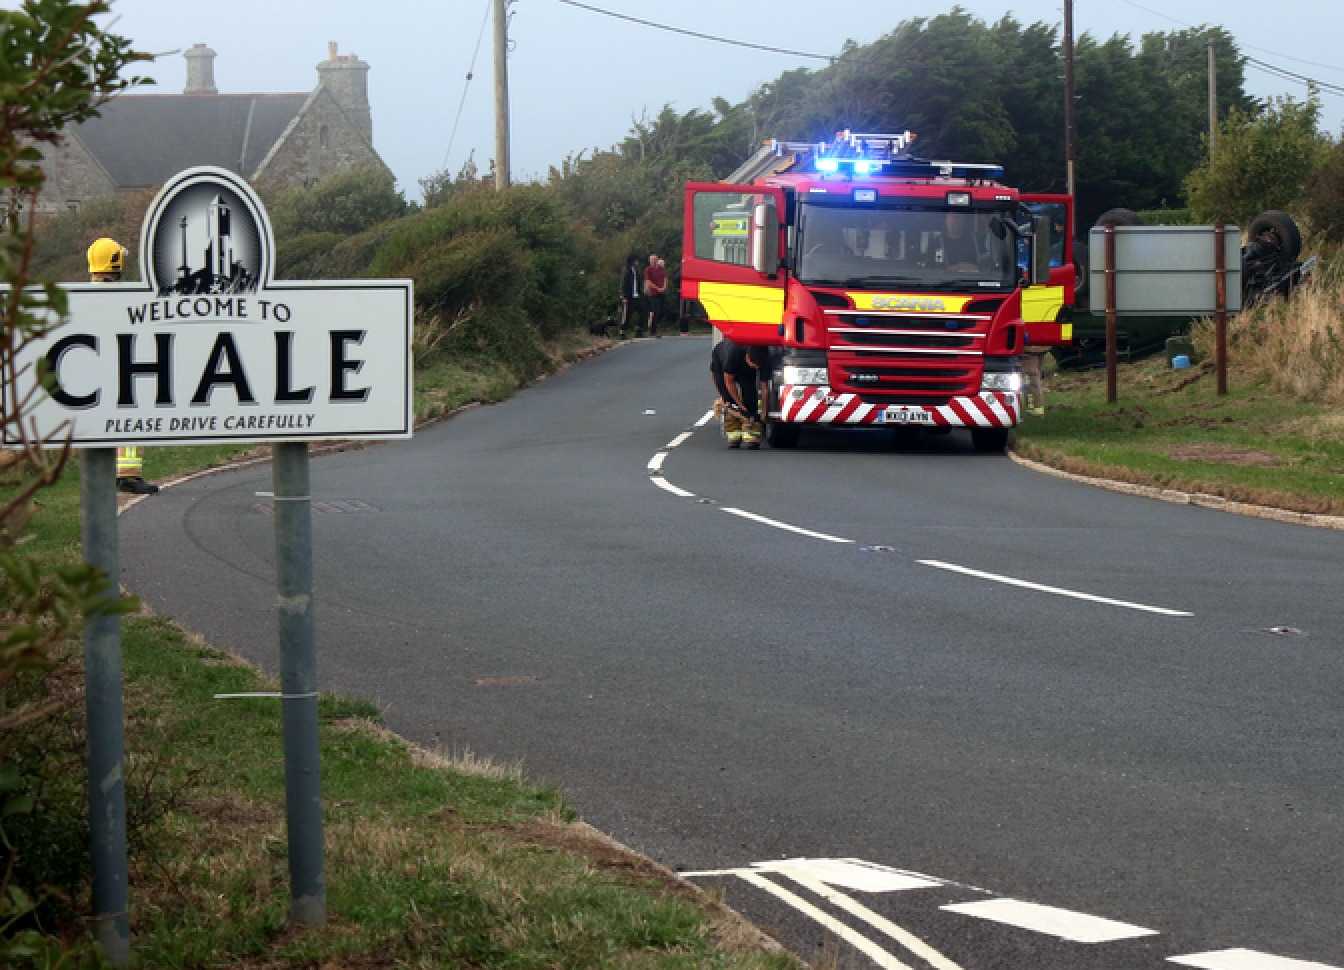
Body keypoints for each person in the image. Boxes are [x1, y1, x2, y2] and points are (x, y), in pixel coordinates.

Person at [87, 237, 160, 495]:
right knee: (131, 419)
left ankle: (112, 474)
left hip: (96, 371)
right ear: (115, 261)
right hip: (118, 371)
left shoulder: (84, 295)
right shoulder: (118, 296)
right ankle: (128, 475)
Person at [710, 338, 768, 449]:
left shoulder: (764, 357)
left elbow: (764, 387)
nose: (755, 368)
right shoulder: (733, 354)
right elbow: (728, 382)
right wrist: (739, 405)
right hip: (722, 366)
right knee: (730, 401)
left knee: (751, 399)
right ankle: (733, 434)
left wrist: (764, 412)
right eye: (753, 365)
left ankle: (752, 435)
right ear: (747, 357)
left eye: (757, 367)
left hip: (745, 372)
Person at [644, 252, 667, 338]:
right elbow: (648, 281)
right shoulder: (648, 269)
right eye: (651, 260)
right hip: (653, 293)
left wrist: (664, 287)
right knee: (655, 311)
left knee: (662, 311)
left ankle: (655, 328)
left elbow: (665, 278)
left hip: (662, 293)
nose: (652, 261)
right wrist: (657, 288)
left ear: (657, 260)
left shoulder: (661, 268)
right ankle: (653, 331)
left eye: (654, 259)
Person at [618, 254, 641, 339]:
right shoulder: (626, 270)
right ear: (633, 261)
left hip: (636, 296)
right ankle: (622, 332)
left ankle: (638, 330)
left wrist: (639, 292)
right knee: (626, 314)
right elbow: (622, 284)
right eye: (636, 260)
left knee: (641, 312)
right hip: (628, 296)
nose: (638, 262)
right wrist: (623, 296)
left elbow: (638, 283)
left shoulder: (636, 270)